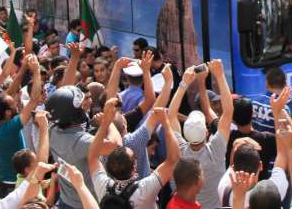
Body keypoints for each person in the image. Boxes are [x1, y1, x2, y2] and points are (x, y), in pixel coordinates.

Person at [89, 99, 179, 209]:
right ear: (134, 169)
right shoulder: (145, 190)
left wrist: (106, 123)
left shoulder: (103, 187)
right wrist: (167, 124)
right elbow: (173, 160)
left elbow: (92, 156)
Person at [169, 60, 233, 209]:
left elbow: (171, 115)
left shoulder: (180, 152)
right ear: (206, 132)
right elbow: (229, 111)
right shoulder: (215, 151)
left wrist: (184, 83)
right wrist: (219, 74)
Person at [0, 54, 41, 197]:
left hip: (4, 182)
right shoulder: (12, 127)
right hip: (16, 184)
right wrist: (36, 71)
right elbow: (35, 99)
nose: (17, 101)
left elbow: (8, 94)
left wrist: (23, 67)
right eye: (14, 104)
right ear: (7, 113)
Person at [250, 66, 290, 133]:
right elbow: (284, 134)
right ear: (285, 84)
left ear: (266, 85)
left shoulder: (254, 102)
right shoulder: (284, 109)